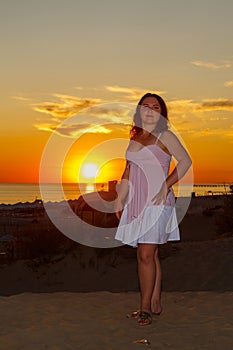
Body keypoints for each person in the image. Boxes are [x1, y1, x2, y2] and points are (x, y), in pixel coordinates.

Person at [115, 93, 192, 326]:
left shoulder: (165, 135)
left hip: (157, 203)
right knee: (152, 254)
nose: (149, 110)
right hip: (136, 202)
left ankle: (145, 308)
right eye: (145, 106)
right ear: (139, 111)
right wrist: (120, 199)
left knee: (145, 255)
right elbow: (128, 169)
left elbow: (186, 161)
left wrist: (166, 185)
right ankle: (156, 301)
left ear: (161, 112)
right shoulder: (136, 137)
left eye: (155, 106)